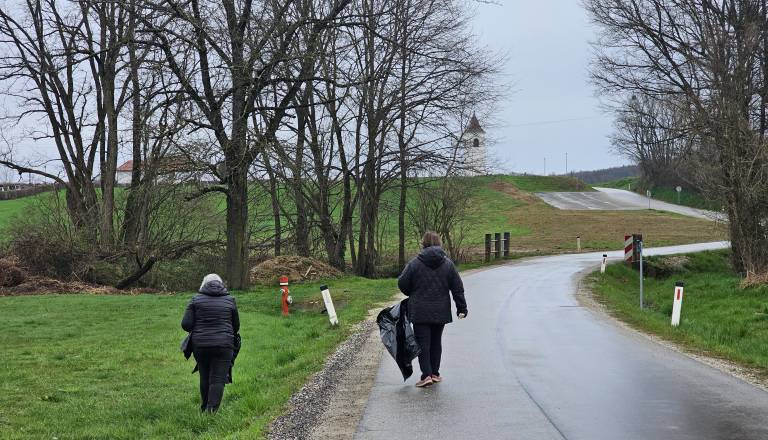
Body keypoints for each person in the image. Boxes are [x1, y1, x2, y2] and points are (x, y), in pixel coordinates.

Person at [397, 231, 467, 387]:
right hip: (440, 310)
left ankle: (426, 375)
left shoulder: (415, 263)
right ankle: (435, 373)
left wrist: (411, 292)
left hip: (420, 311)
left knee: (423, 344)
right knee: (436, 342)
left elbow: (402, 283)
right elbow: (457, 288)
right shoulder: (448, 264)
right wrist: (461, 307)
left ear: (424, 244)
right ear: (439, 243)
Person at [181, 274, 240, 412]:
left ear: (203, 284)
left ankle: (204, 408)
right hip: (224, 345)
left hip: (200, 345)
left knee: (205, 375)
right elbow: (236, 327)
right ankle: (211, 412)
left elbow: (186, 324)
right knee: (218, 379)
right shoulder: (230, 300)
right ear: (221, 284)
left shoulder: (195, 300)